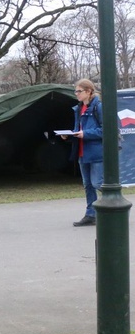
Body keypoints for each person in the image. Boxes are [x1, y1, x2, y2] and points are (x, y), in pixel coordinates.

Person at [61, 78, 103, 227]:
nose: (76, 94)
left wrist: (85, 134)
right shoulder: (79, 109)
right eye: (76, 91)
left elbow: (106, 130)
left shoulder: (98, 107)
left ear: (88, 91)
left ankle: (111, 209)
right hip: (82, 152)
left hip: (97, 153)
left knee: (98, 183)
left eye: (79, 91)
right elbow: (78, 130)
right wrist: (69, 135)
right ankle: (91, 215)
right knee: (88, 185)